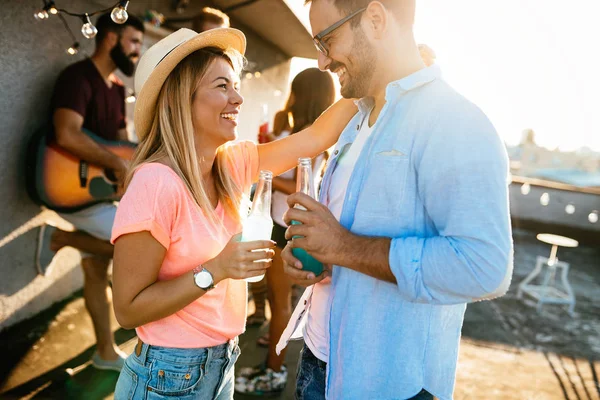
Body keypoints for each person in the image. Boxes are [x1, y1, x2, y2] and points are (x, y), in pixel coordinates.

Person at [277, 1, 513, 399]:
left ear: (375, 18)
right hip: (317, 361)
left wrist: (343, 247)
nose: (320, 61)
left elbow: (485, 266)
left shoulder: (454, 120)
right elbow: (343, 239)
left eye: (326, 40)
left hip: (386, 384)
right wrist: (316, 255)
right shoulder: (356, 121)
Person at [110, 27, 356, 399]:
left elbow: (316, 137)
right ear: (181, 99)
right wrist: (217, 270)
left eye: (235, 84)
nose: (238, 97)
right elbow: (127, 310)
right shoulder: (156, 183)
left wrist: (377, 77)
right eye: (222, 86)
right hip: (166, 375)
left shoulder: (231, 163)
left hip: (222, 363)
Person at [35, 12, 145, 371]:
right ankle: (58, 240)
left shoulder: (116, 89)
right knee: (136, 248)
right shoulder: (77, 77)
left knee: (96, 273)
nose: (136, 52)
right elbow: (66, 133)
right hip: (66, 189)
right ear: (110, 38)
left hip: (96, 195)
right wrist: (115, 165)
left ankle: (104, 353)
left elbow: (119, 147)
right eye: (132, 43)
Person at [235, 68, 335, 396]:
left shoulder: (311, 137)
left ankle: (274, 373)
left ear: (302, 95)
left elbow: (297, 186)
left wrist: (260, 173)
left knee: (281, 304)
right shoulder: (299, 132)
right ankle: (271, 361)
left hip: (286, 228)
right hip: (279, 225)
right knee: (278, 300)